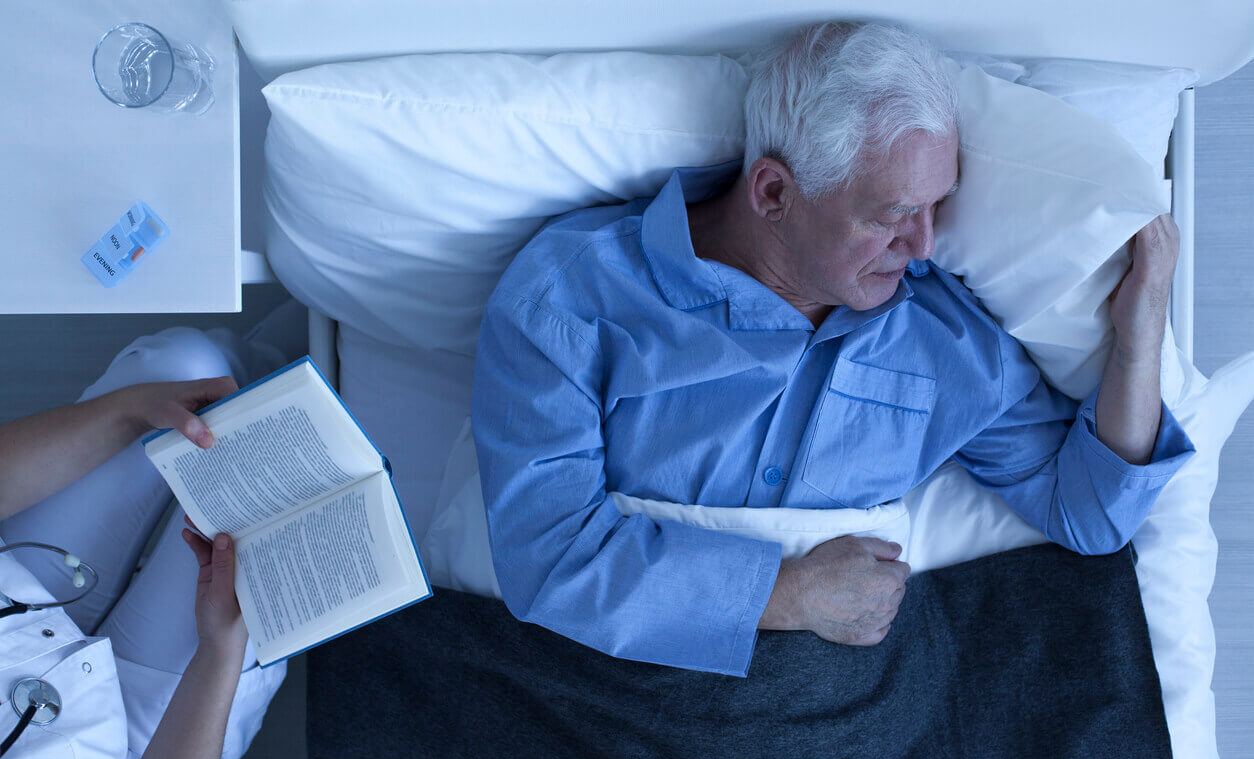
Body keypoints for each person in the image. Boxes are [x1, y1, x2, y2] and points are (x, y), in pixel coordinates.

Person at [471, 22, 1194, 676]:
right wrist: (788, 595)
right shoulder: (571, 299)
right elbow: (549, 557)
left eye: (936, 207)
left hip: (839, 734)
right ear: (775, 192)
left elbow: (1091, 516)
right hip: (590, 699)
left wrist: (1138, 337)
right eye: (894, 214)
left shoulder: (947, 342)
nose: (923, 246)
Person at [0, 315, 303, 759]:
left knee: (185, 369)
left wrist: (128, 412)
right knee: (277, 515)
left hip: (20, 601)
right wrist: (219, 650)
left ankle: (285, 355)